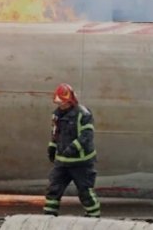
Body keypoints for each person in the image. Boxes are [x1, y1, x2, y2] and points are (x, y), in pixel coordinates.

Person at [44, 83, 100, 218]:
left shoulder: (83, 114)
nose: (61, 105)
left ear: (71, 101)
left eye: (63, 102)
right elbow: (55, 133)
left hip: (81, 163)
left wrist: (72, 148)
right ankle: (48, 217)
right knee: (53, 190)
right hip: (62, 162)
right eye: (59, 102)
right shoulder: (57, 115)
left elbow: (86, 136)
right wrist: (52, 146)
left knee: (85, 192)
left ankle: (94, 218)